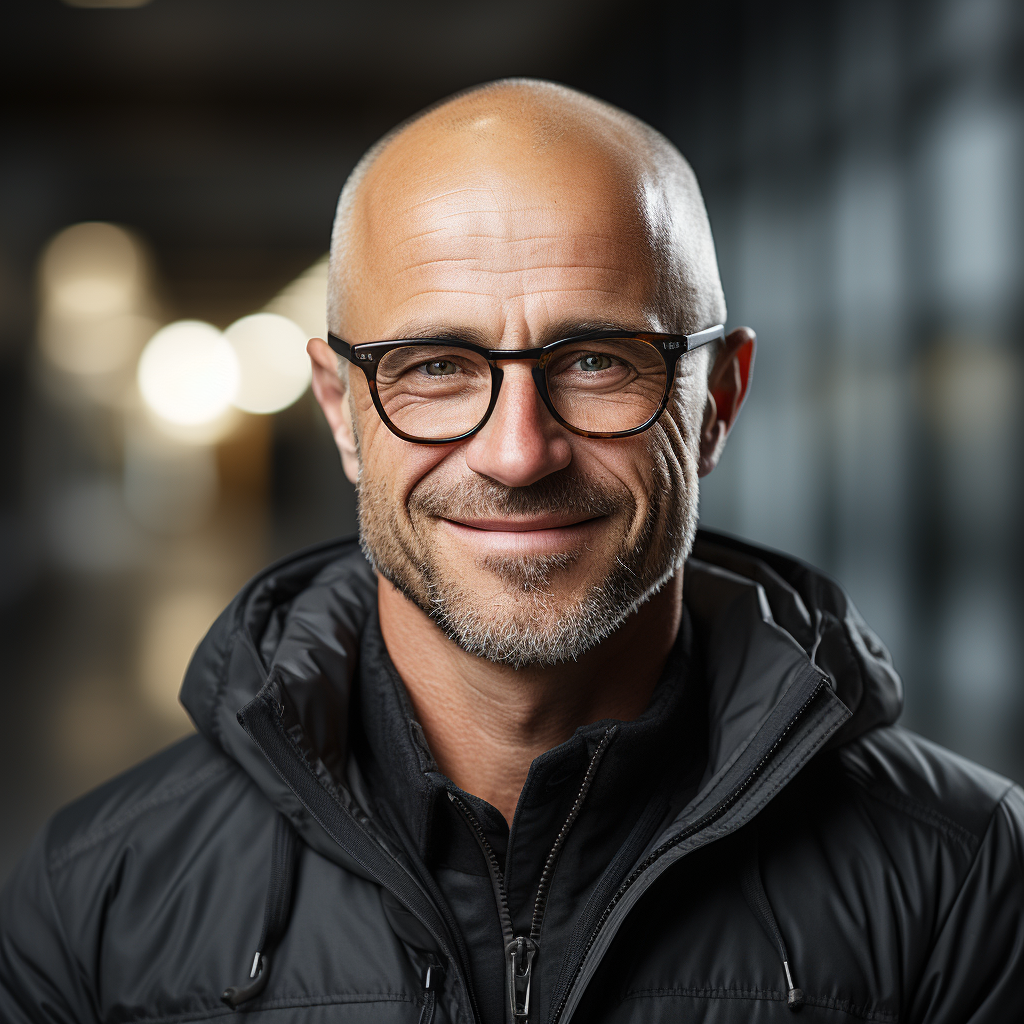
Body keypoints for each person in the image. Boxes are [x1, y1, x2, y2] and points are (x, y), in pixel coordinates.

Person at [2, 79, 1022, 1024]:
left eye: (594, 359)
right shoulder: (98, 895)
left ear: (715, 400)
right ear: (340, 410)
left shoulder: (966, 881)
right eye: (436, 366)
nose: (517, 451)